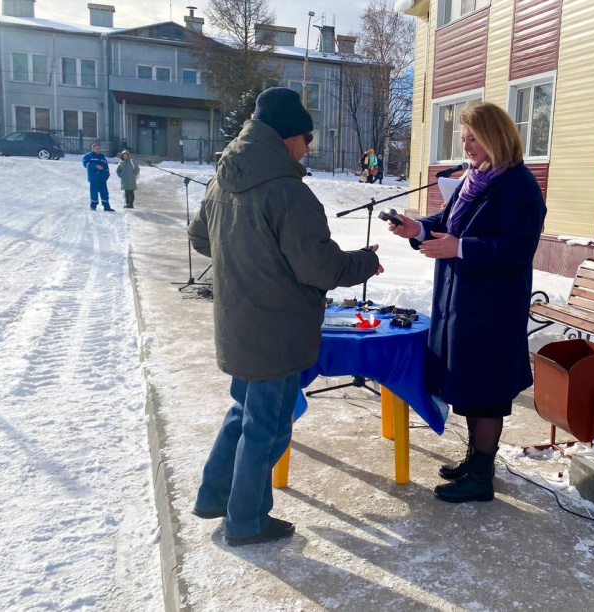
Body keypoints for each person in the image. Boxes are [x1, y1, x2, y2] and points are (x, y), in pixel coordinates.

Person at [188, 87, 384, 546]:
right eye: (308, 138)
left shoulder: (222, 179)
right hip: (276, 332)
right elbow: (320, 267)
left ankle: (216, 496)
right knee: (268, 427)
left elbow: (202, 239)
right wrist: (364, 261)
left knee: (243, 413)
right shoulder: (288, 193)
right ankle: (246, 521)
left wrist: (248, 259)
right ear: (288, 138)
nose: (309, 148)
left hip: (237, 322)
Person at [387, 102, 546, 503]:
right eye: (463, 139)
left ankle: (481, 477)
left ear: (495, 136)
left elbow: (518, 247)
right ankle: (477, 459)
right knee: (472, 382)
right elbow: (447, 225)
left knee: (487, 388)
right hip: (461, 300)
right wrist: (417, 227)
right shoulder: (475, 179)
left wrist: (462, 249)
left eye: (473, 138)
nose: (467, 146)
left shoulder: (518, 185)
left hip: (493, 306)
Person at [82, 143, 113, 211]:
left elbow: (106, 167)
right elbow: (85, 164)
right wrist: (95, 166)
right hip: (94, 178)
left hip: (102, 179)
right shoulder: (88, 156)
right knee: (94, 193)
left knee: (105, 193)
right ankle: (93, 206)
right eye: (97, 148)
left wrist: (106, 175)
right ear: (93, 148)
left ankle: (106, 207)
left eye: (99, 148)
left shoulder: (102, 157)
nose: (98, 150)